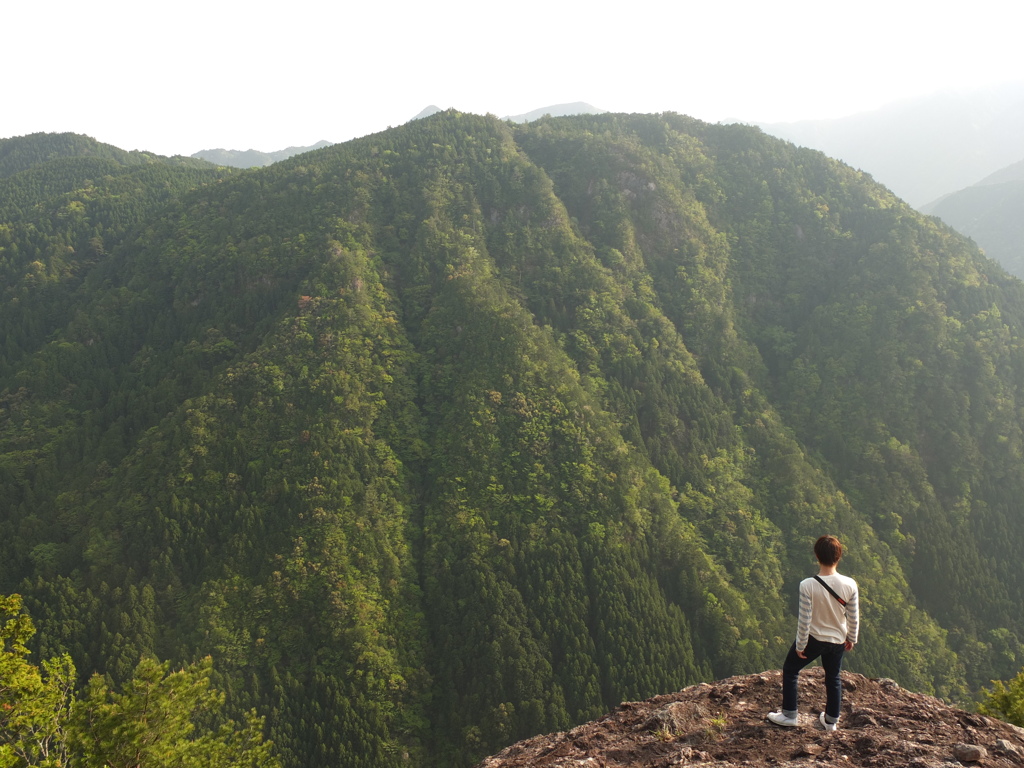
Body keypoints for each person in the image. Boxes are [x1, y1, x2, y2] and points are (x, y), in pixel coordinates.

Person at [767, 535, 859, 732]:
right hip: (837, 640)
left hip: (814, 639)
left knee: (791, 670)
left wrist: (801, 645)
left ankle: (789, 714)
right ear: (839, 556)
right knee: (833, 677)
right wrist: (851, 637)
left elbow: (805, 619)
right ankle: (831, 721)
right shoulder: (850, 584)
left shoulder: (807, 585)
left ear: (817, 556)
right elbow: (853, 616)